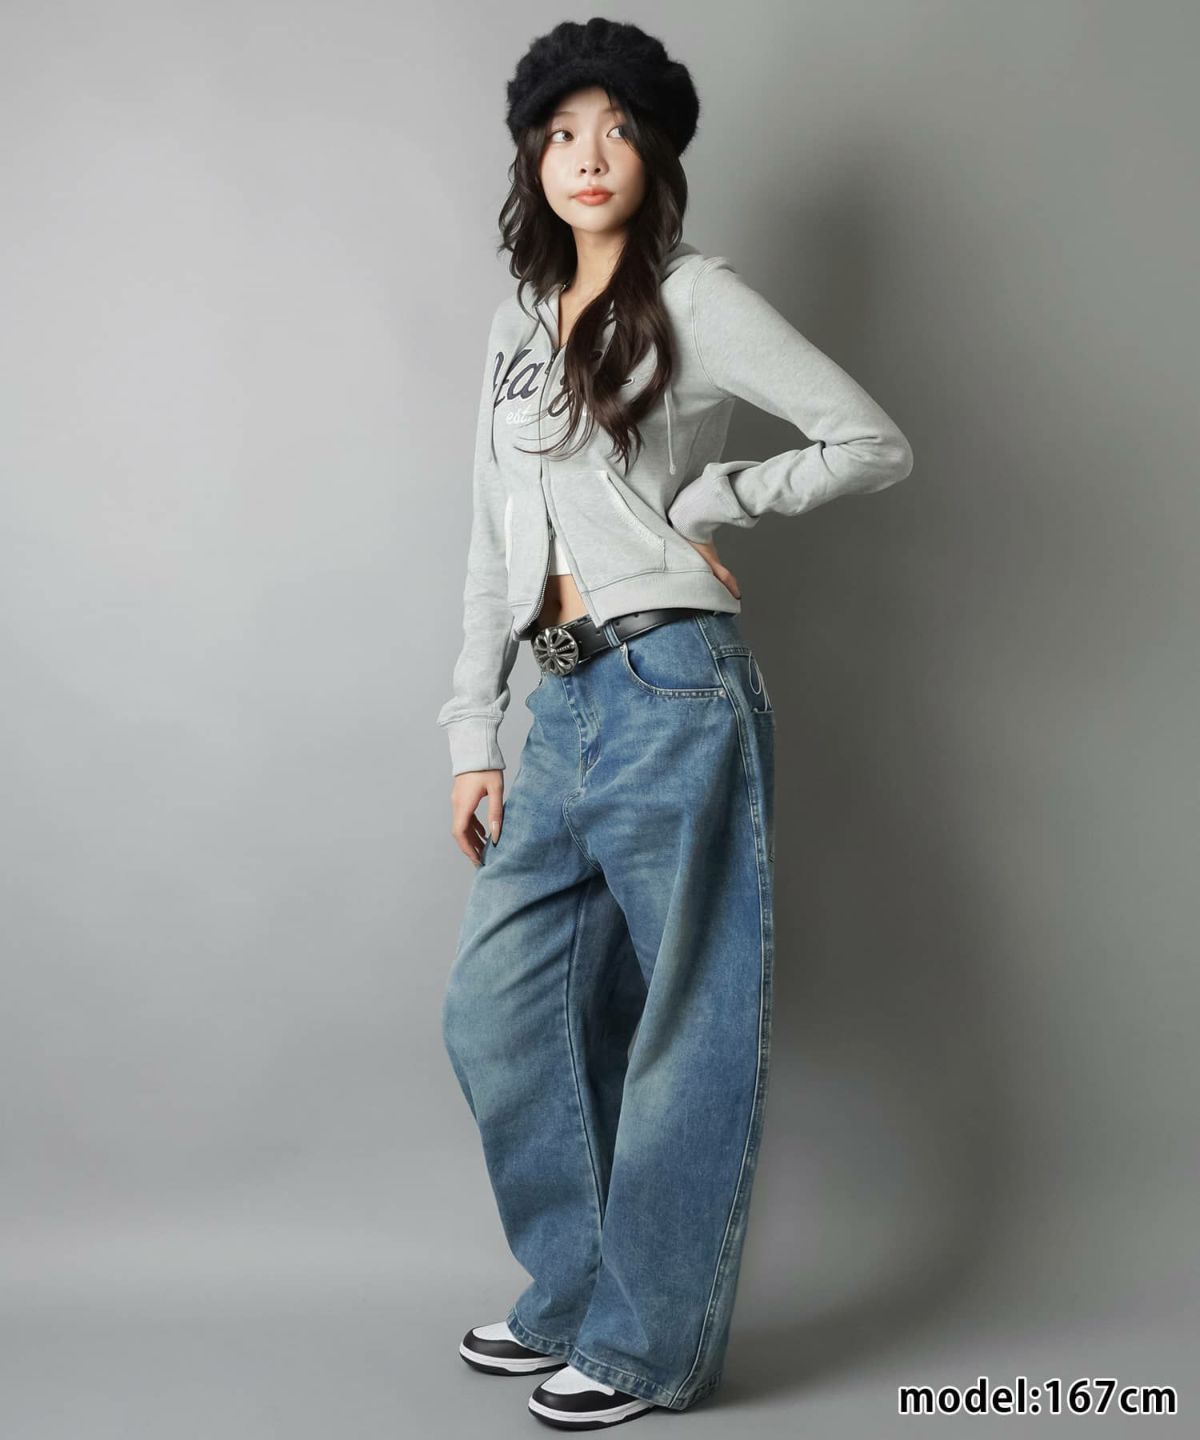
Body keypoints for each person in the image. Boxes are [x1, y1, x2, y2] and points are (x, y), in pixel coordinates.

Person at [435, 18, 914, 1428]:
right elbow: (490, 540)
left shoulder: (696, 297)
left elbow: (871, 440)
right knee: (498, 1011)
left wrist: (723, 497)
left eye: (618, 131)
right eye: (563, 132)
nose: (589, 155)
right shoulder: (518, 325)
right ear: (534, 156)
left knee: (687, 1024)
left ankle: (648, 1346)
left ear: (653, 153)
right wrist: (474, 728)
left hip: (672, 687)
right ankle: (577, 1292)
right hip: (562, 703)